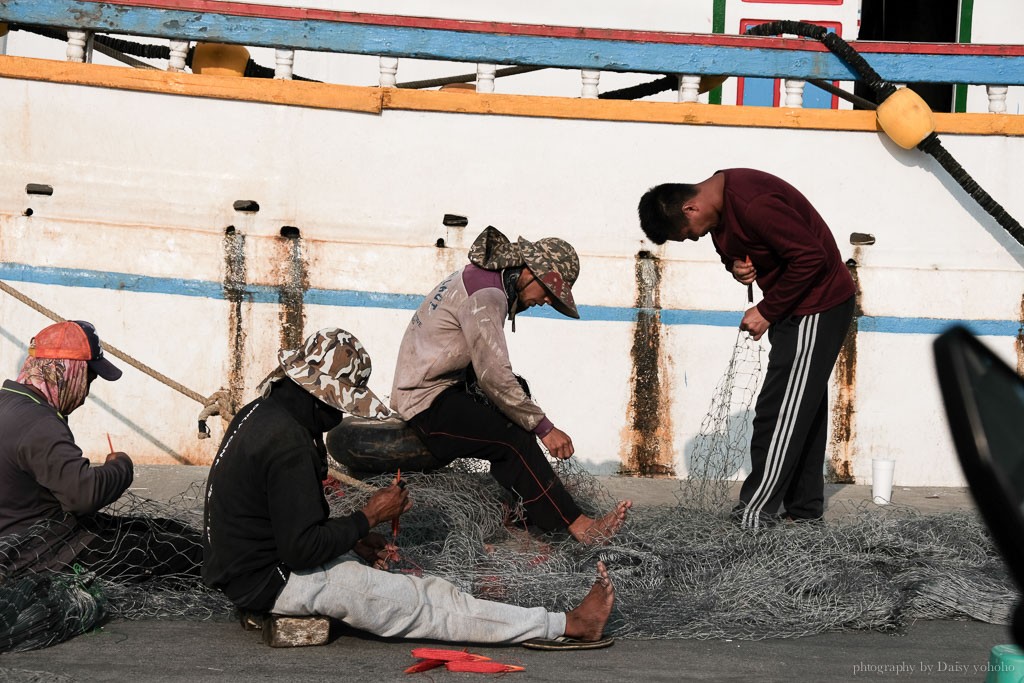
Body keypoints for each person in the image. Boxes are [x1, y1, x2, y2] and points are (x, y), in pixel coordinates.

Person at [202, 327, 615, 644]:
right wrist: (369, 517)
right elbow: (300, 548)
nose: (340, 417)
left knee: (427, 591)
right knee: (425, 605)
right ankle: (566, 625)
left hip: (246, 572)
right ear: (318, 397)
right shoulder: (288, 443)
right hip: (274, 580)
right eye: (338, 406)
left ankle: (555, 622)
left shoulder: (262, 413)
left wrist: (352, 540)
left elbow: (285, 519)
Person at [638, 169, 856, 529]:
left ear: (691, 208)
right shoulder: (719, 209)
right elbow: (739, 251)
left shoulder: (754, 204)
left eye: (688, 234)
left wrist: (767, 311)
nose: (695, 238)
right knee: (802, 409)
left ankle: (756, 514)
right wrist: (737, 267)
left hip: (817, 306)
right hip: (796, 306)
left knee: (780, 410)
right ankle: (804, 512)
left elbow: (811, 258)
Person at [390, 227, 632, 545]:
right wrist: (545, 428)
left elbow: (494, 374)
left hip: (447, 386)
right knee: (514, 436)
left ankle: (525, 512)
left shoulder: (484, 278)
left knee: (518, 395)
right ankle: (579, 525)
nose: (545, 301)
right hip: (425, 401)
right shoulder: (487, 298)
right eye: (547, 291)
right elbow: (493, 376)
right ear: (529, 272)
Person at [0, 320, 201, 578]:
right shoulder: (39, 423)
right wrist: (121, 466)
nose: (84, 394)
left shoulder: (9, 403)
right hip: (46, 556)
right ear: (66, 370)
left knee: (167, 528)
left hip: (29, 542)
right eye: (89, 377)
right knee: (189, 551)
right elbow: (84, 496)